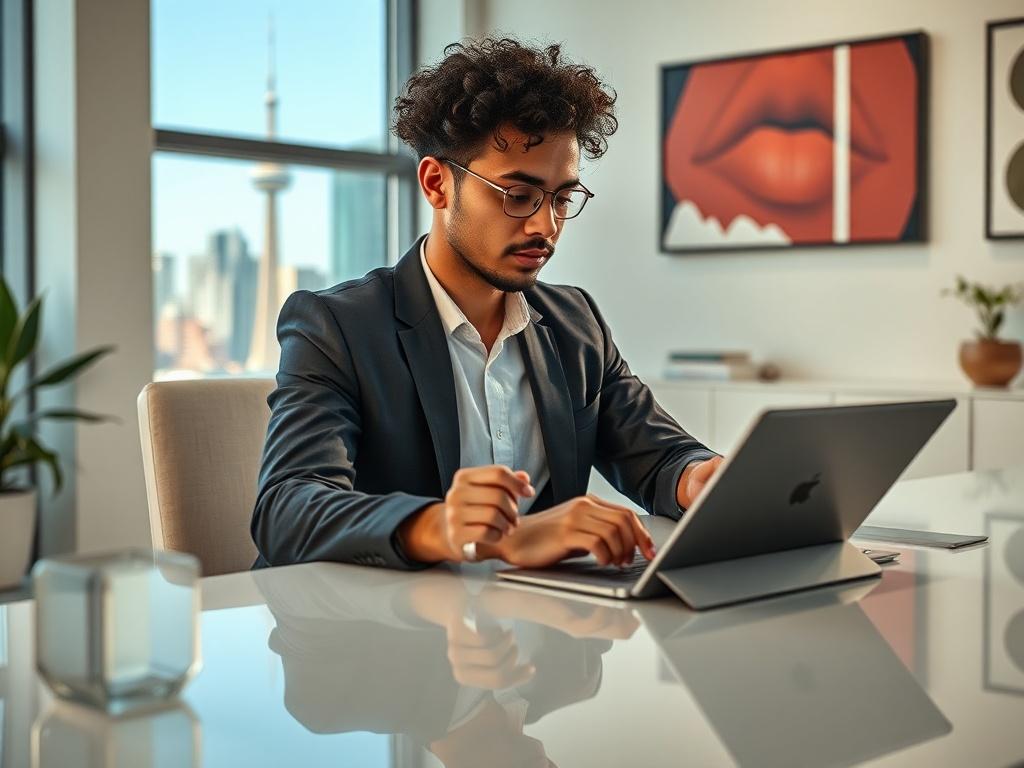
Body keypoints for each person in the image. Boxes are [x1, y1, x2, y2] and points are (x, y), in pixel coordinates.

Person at [251, 37, 723, 571]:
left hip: (533, 611)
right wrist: (447, 528)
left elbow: (658, 455)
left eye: (562, 198)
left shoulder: (575, 324)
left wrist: (697, 477)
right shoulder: (337, 326)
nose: (545, 225)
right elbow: (287, 508)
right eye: (518, 196)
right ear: (437, 183)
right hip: (372, 616)